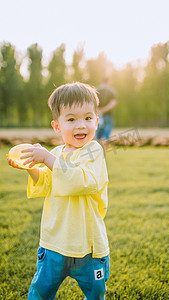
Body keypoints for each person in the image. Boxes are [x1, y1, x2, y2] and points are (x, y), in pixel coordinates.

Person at [7, 82, 110, 300]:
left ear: (97, 121)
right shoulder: (56, 153)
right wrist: (33, 168)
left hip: (88, 246)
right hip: (55, 242)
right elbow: (46, 182)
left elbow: (83, 181)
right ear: (57, 126)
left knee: (96, 293)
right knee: (40, 292)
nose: (81, 125)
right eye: (71, 119)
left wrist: (47, 158)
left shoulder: (93, 151)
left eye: (88, 118)